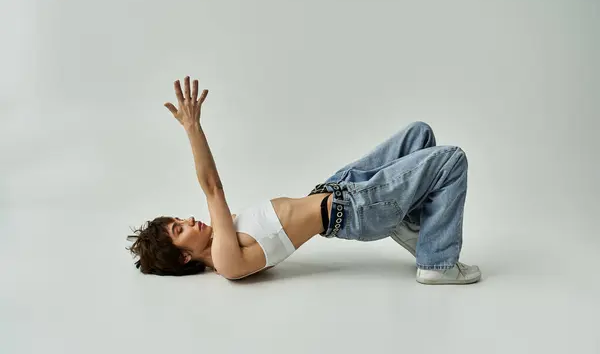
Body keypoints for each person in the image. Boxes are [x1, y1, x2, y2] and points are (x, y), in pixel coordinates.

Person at [127, 76, 481, 285]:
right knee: (451, 159)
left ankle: (410, 227)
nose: (187, 220)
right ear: (186, 258)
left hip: (338, 187)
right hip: (356, 209)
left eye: (177, 219)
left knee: (419, 134)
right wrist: (193, 127)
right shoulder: (226, 260)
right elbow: (212, 187)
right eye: (179, 230)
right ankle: (437, 263)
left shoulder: (224, 237)